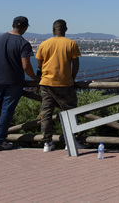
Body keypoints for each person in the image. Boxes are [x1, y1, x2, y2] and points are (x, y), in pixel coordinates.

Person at [0, 16, 38, 152]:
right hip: (14, 81)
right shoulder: (23, 43)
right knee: (6, 111)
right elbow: (26, 66)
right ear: (24, 27)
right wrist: (35, 78)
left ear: (13, 25)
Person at [36, 19, 82, 152]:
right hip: (65, 83)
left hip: (46, 84)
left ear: (53, 29)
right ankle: (70, 142)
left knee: (46, 113)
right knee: (70, 113)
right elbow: (76, 64)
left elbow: (39, 64)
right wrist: (72, 78)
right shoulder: (71, 44)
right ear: (66, 29)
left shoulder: (44, 44)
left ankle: (47, 143)